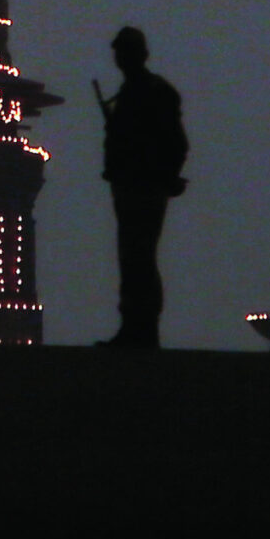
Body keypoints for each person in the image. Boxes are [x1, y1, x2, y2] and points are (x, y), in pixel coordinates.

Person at [93, 25, 188, 349]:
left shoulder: (152, 91)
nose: (121, 58)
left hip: (144, 187)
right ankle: (135, 328)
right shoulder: (134, 91)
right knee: (133, 257)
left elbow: (176, 143)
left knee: (140, 257)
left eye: (126, 51)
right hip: (130, 185)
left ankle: (142, 329)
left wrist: (162, 175)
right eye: (120, 52)